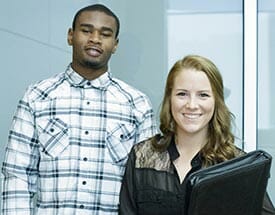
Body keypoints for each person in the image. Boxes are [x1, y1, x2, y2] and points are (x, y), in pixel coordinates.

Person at [1, 4, 157, 214]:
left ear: (115, 44)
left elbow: (147, 186)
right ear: (70, 36)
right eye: (86, 30)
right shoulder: (37, 97)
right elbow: (16, 176)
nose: (95, 38)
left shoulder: (137, 105)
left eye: (105, 34)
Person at [119, 55, 275, 214]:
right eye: (182, 94)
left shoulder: (239, 167)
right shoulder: (141, 157)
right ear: (169, 98)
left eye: (203, 95)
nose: (192, 105)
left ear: (216, 101)